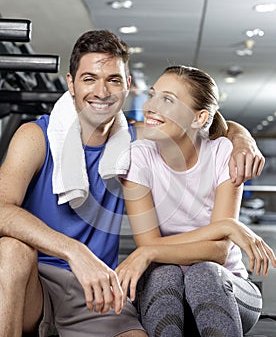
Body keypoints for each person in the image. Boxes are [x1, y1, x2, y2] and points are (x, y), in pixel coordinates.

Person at [0, 30, 266, 337]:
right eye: (89, 79)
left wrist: (242, 139)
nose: (101, 91)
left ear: (127, 85)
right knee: (11, 250)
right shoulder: (35, 137)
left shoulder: (136, 140)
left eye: (113, 79)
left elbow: (201, 124)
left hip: (96, 293)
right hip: (36, 286)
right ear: (71, 84)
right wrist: (74, 251)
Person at [116, 65, 276, 336]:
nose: (151, 107)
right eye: (153, 95)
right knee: (164, 273)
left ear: (199, 118)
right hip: (166, 295)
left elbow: (219, 252)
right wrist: (225, 228)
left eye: (167, 100)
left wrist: (151, 251)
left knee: (204, 272)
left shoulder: (224, 153)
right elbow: (147, 243)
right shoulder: (138, 157)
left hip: (227, 292)